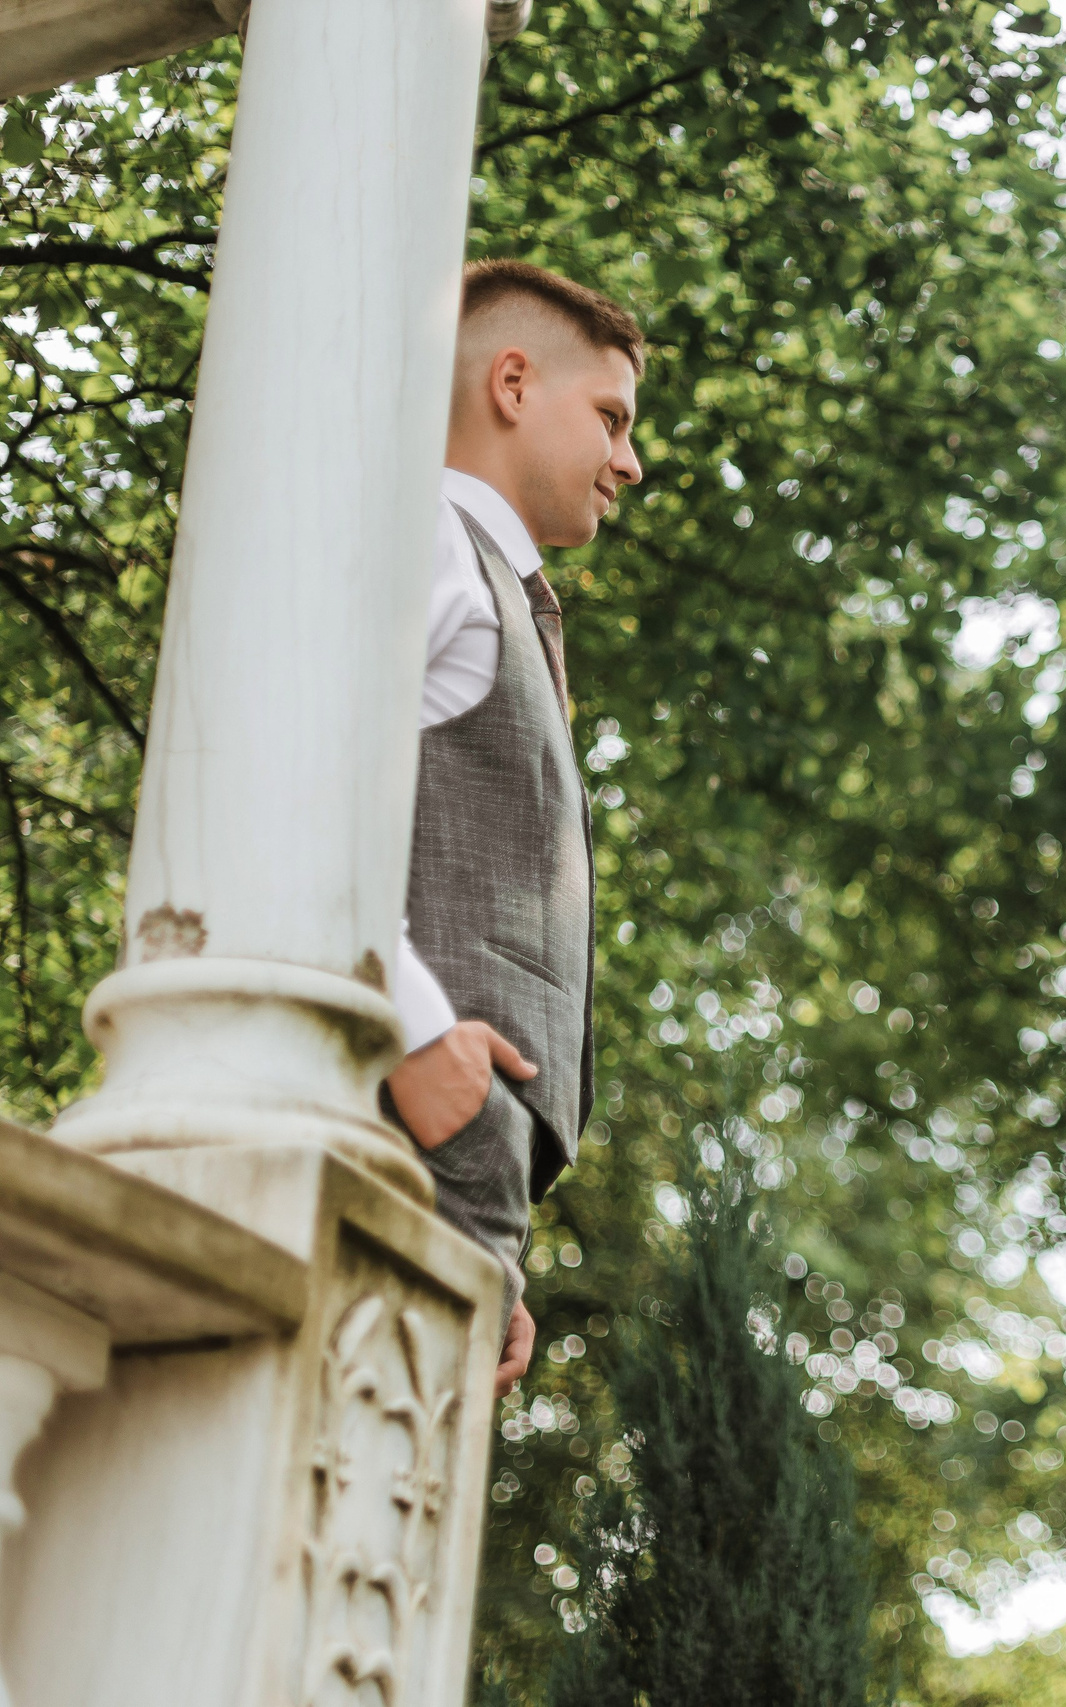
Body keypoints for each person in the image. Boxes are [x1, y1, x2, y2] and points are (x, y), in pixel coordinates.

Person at [383, 259, 644, 1392]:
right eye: (612, 416)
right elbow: (291, 774)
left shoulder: (475, 568)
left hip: (458, 1159)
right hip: (407, 1114)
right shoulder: (426, 543)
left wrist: (500, 1234)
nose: (630, 461)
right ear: (511, 382)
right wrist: (411, 1033)